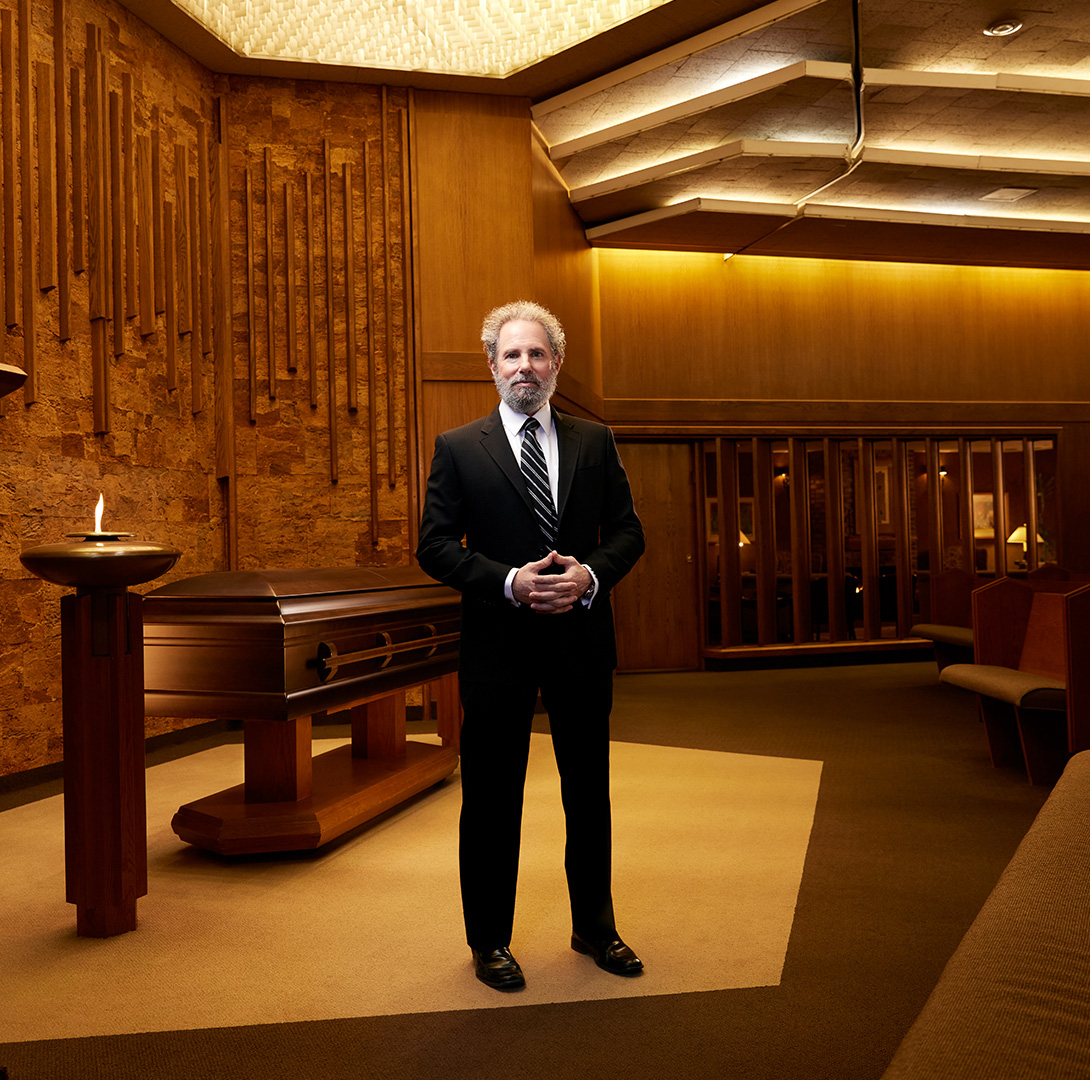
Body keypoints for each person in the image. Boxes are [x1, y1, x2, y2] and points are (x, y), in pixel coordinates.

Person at [416, 300, 646, 990]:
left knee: (589, 792)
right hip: (497, 646)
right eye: (512, 355)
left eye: (537, 354)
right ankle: (489, 941)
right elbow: (433, 546)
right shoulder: (459, 448)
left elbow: (628, 532)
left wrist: (590, 574)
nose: (525, 366)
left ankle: (595, 929)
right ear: (492, 367)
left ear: (555, 364)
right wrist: (511, 582)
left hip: (580, 641)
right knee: (491, 797)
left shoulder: (593, 441)